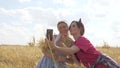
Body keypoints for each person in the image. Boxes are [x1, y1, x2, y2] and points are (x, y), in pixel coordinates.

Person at [47, 18, 120, 68]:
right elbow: (78, 64)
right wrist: (71, 56)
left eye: (73, 26)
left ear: (80, 29)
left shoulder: (82, 40)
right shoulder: (74, 44)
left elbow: (72, 50)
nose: (70, 28)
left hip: (103, 64)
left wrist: (55, 47)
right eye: (70, 26)